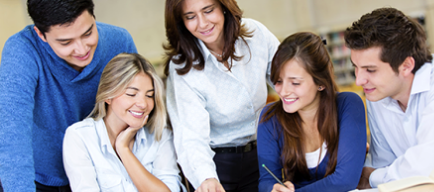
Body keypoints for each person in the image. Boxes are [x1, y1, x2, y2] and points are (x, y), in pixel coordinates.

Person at [0, 0, 137, 191]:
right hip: (42, 179)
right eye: (66, 42)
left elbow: (139, 114)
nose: (82, 49)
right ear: (41, 34)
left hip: (104, 175)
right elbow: (12, 135)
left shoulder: (119, 42)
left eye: (88, 33)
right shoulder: (22, 51)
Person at [344, 7, 434, 189]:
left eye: (370, 70)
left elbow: (429, 168)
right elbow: (383, 163)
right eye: (355, 67)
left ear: (406, 65)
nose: (359, 80)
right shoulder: (378, 93)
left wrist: (372, 177)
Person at [163, 0, 280, 191]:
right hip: (216, 165)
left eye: (208, 10)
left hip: (263, 154)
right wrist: (206, 178)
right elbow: (190, 136)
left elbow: (289, 80)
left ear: (224, 7)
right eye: (190, 17)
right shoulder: (182, 68)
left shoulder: (255, 34)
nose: (202, 24)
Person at [257, 32, 367, 192]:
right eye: (279, 81)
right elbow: (266, 180)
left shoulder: (347, 105)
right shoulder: (270, 118)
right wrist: (273, 188)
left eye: (295, 83)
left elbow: (345, 180)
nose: (283, 91)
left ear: (320, 83)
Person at [62, 53, 183, 192]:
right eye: (131, 94)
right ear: (108, 95)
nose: (143, 104)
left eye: (149, 95)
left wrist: (123, 149)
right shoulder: (80, 137)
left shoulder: (161, 135)